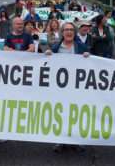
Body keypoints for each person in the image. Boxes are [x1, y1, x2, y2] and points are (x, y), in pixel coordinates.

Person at [45, 22, 89, 154]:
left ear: (74, 32)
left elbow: (90, 68)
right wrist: (47, 55)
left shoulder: (81, 47)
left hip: (77, 88)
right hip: (60, 88)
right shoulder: (55, 47)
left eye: (71, 30)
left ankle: (76, 140)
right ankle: (60, 140)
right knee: (60, 113)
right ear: (62, 32)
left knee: (76, 114)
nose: (69, 32)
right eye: (66, 30)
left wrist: (88, 57)